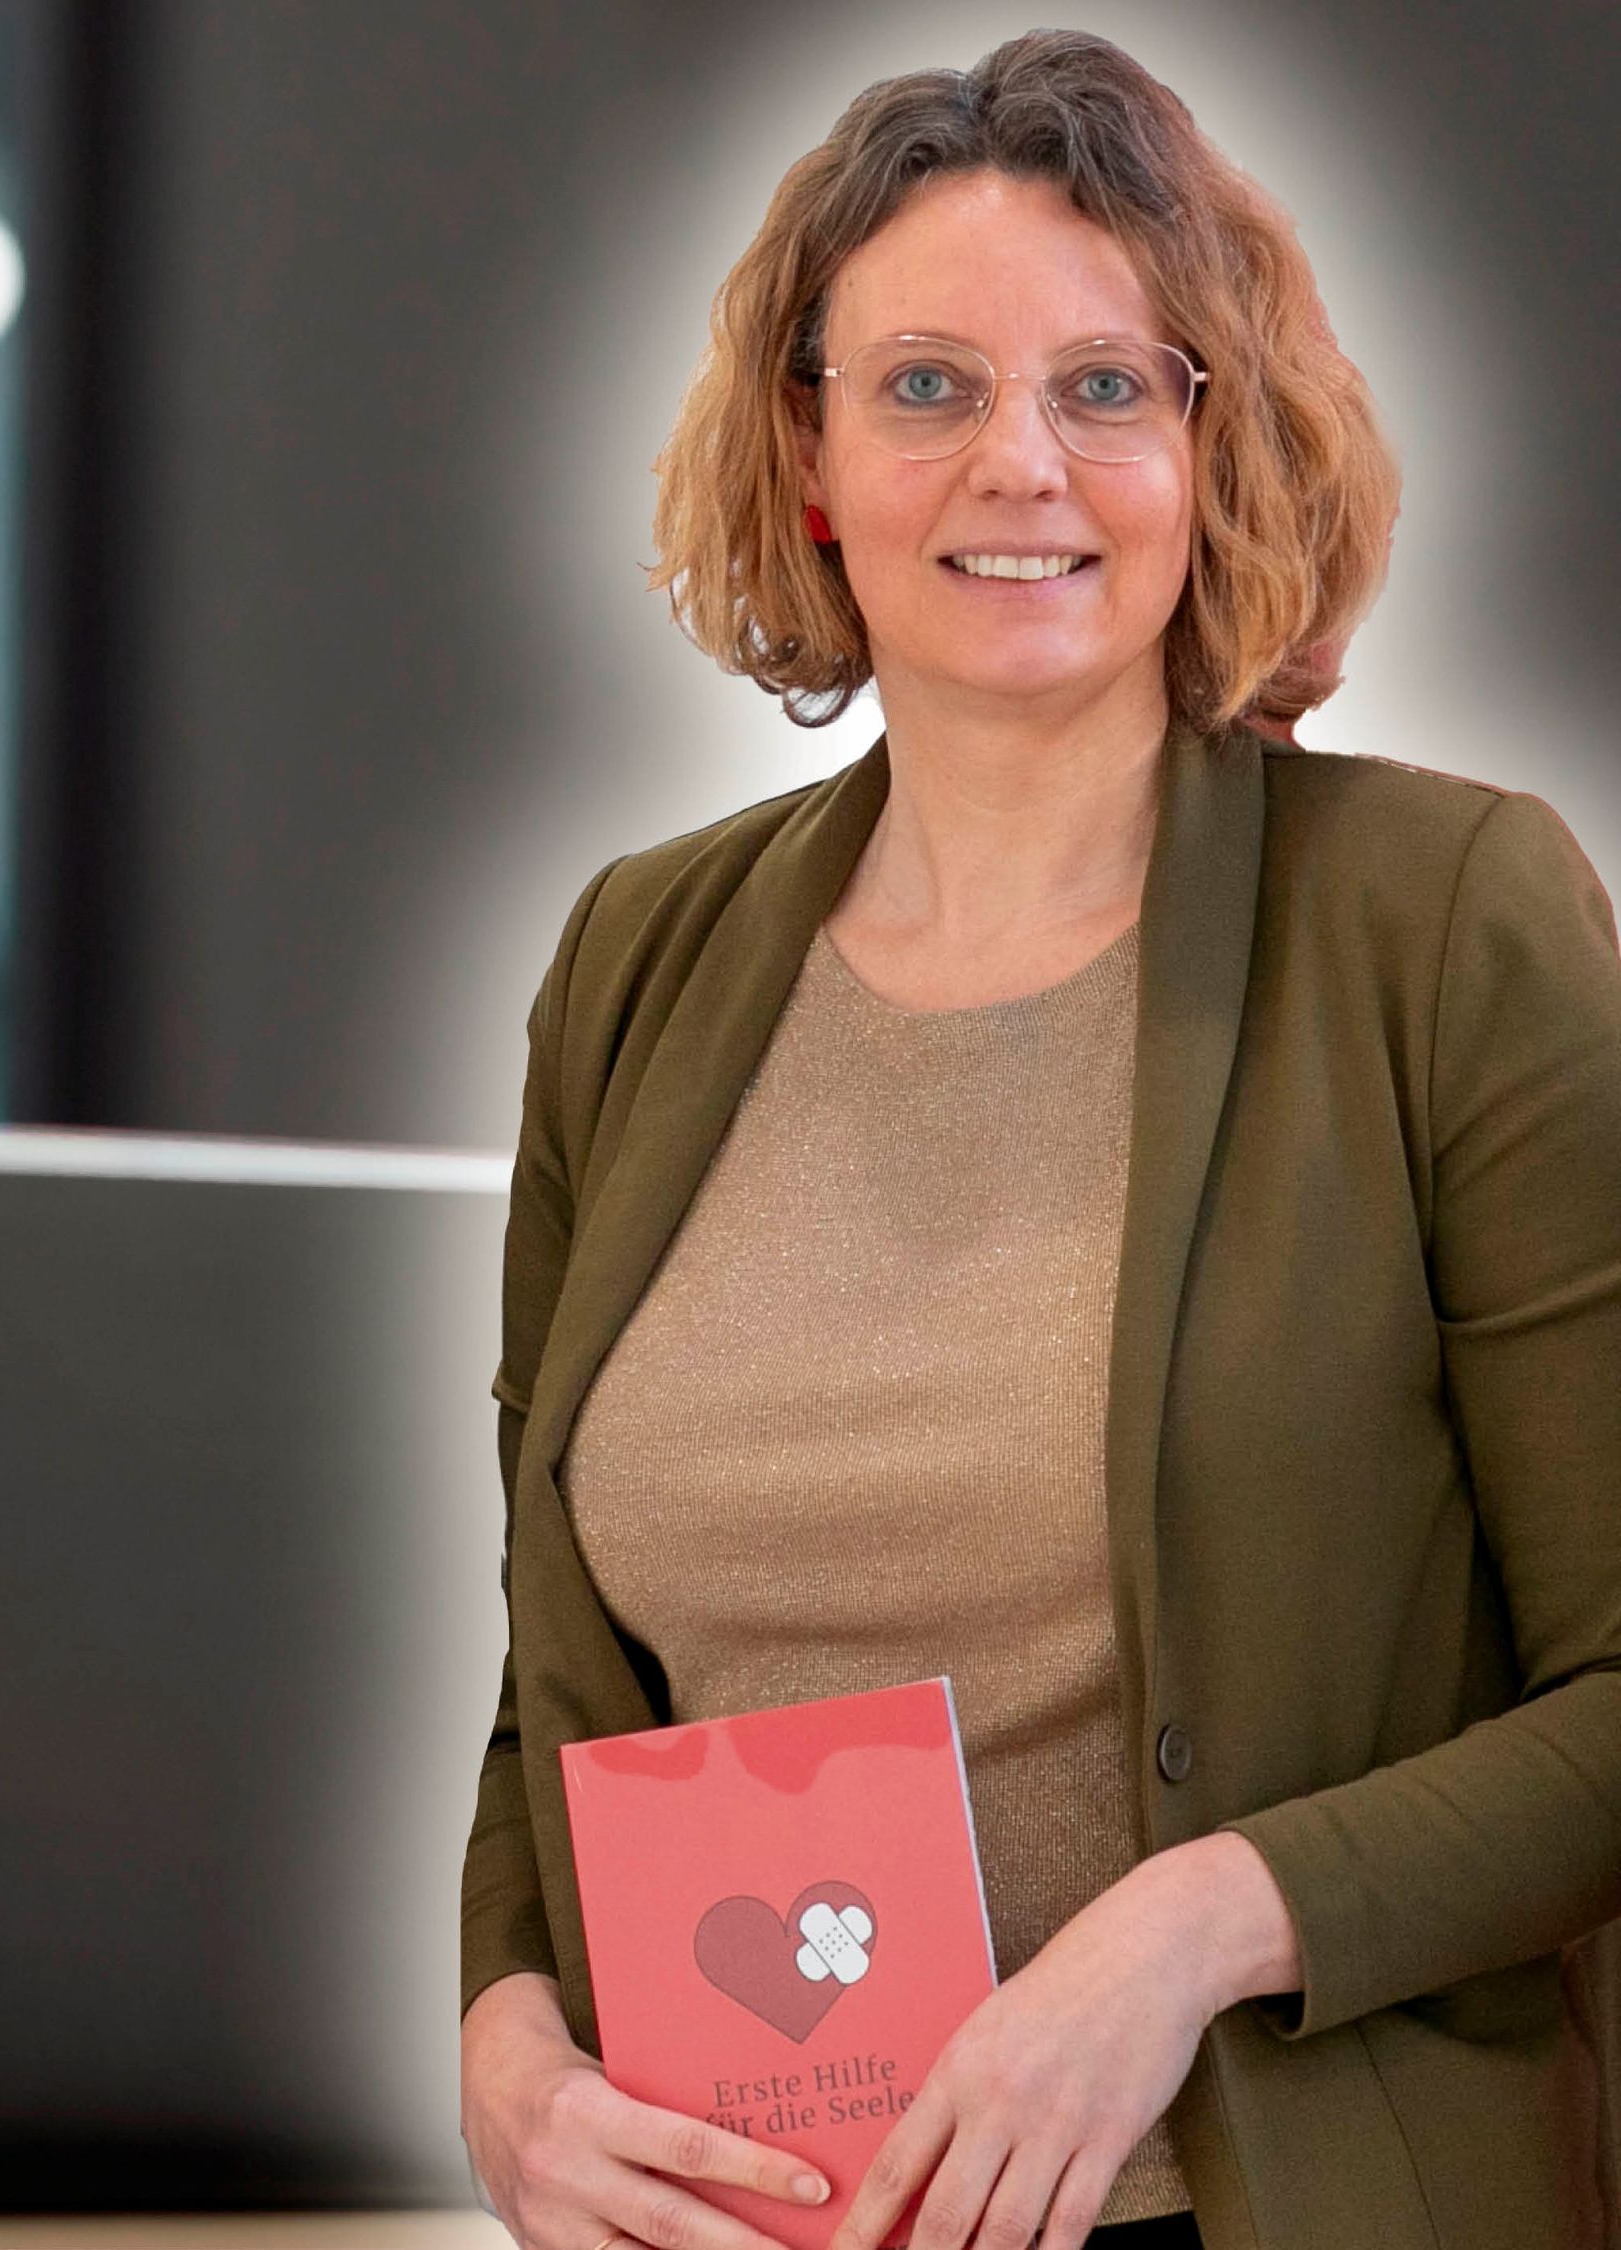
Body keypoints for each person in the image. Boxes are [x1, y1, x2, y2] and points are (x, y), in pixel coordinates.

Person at [457, 32, 1619, 2250]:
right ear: (806, 454)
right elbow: (547, 1702)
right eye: (922, 386)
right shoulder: (636, 962)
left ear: (1213, 441)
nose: (1018, 463)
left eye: (1106, 386)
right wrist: (504, 2046)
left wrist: (1190, 1931)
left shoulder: (1438, 920)